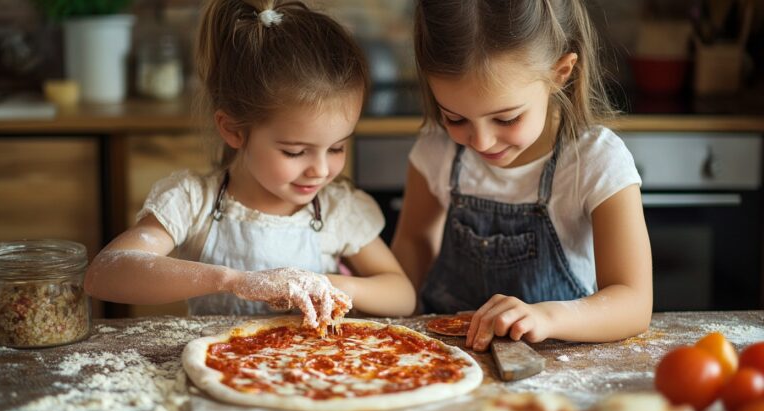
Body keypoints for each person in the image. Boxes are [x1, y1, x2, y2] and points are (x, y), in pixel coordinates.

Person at [85, 0, 415, 329]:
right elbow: (105, 274)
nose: (321, 169)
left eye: (337, 147)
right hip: (220, 364)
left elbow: (402, 295)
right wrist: (233, 281)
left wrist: (328, 283)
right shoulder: (194, 201)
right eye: (295, 152)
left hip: (312, 372)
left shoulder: (336, 210)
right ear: (234, 130)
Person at [391, 0, 652, 350]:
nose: (481, 141)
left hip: (553, 367)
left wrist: (546, 317)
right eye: (455, 118)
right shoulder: (436, 151)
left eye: (506, 118)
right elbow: (413, 245)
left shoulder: (595, 162)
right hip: (445, 359)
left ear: (561, 71)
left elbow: (633, 303)